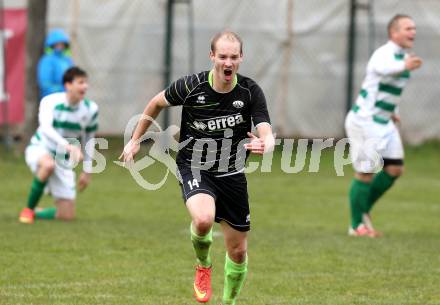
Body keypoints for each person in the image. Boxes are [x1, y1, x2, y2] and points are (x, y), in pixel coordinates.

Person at [120, 31, 274, 305]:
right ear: (212, 56)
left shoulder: (250, 91)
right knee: (203, 219)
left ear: (241, 58)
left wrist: (266, 144)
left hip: (232, 174)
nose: (228, 62)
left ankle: (229, 302)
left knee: (238, 251)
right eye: (223, 56)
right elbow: (156, 103)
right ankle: (203, 265)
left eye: (234, 57)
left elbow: (266, 131)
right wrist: (135, 140)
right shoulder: (192, 86)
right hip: (194, 166)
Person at [345, 14, 422, 237]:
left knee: (395, 168)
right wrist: (405, 64)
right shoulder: (385, 54)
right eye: (408, 28)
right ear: (393, 33)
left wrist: (394, 112)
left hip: (384, 122)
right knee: (366, 172)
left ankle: (362, 210)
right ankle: (356, 225)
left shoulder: (401, 56)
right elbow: (382, 68)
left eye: (414, 28)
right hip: (365, 121)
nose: (412, 32)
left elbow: (385, 86)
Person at [19, 67, 98, 224]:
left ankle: (36, 213)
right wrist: (68, 146)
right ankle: (27, 209)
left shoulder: (91, 109)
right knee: (48, 165)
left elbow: (89, 138)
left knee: (66, 215)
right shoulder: (50, 101)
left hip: (63, 158)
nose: (85, 87)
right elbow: (46, 128)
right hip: (41, 147)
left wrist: (87, 171)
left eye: (86, 83)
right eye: (80, 82)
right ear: (68, 85)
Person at [37, 29, 74, 98]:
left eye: (62, 44)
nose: (60, 46)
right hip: (51, 97)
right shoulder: (47, 60)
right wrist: (62, 89)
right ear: (52, 45)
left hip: (68, 97)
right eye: (57, 44)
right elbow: (45, 83)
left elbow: (73, 77)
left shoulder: (67, 60)